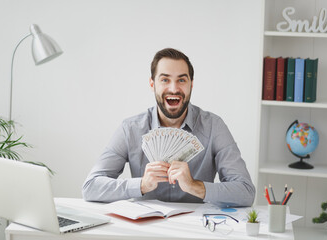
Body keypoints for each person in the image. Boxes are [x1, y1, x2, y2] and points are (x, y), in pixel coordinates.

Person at [82, 48, 255, 207]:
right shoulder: (130, 129)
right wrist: (141, 185)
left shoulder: (214, 127)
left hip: (197, 229)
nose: (174, 89)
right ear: (152, 84)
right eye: (165, 79)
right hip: (146, 228)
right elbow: (91, 187)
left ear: (191, 84)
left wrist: (195, 186)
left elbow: (246, 192)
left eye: (181, 80)